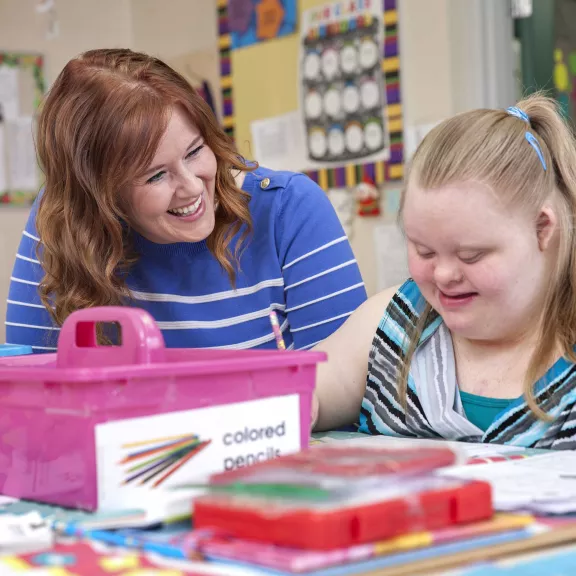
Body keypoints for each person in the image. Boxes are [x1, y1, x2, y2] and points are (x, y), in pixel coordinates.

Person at [6, 49, 366, 352]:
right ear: (101, 198)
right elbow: (30, 384)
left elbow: (348, 388)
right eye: (156, 175)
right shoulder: (59, 221)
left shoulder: (290, 210)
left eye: (195, 151)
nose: (193, 187)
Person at [314, 94, 576, 450]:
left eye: (471, 255)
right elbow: (307, 388)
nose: (443, 275)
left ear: (542, 229)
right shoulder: (395, 322)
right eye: (424, 250)